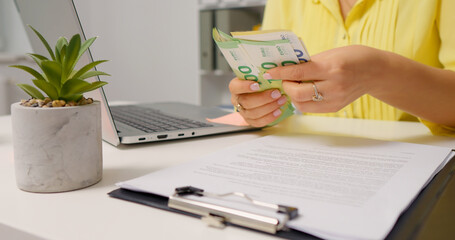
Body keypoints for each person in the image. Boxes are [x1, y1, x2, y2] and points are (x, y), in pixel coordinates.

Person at [229, 0, 455, 136]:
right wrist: (258, 106)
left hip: (424, 168)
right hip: (317, 159)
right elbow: (272, 86)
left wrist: (378, 73)